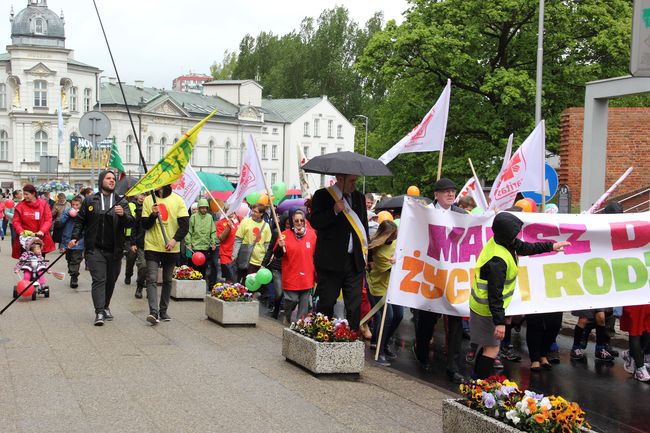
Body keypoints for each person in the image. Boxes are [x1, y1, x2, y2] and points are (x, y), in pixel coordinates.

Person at [471, 212, 569, 379]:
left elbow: (525, 248)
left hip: (485, 307)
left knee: (486, 346)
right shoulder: (498, 260)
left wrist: (551, 247)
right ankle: (478, 385)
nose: (517, 236)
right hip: (486, 309)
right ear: (507, 234)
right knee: (492, 349)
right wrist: (500, 323)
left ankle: (476, 383)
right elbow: (494, 294)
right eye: (515, 233)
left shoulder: (503, 242)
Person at [413, 178, 466, 383]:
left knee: (456, 321)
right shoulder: (425, 213)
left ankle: (453, 365)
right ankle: (422, 353)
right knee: (427, 319)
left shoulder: (462, 215)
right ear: (436, 194)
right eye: (446, 191)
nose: (451, 194)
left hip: (453, 275)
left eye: (453, 191)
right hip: (431, 273)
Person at [70, 171, 133, 326]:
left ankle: (105, 306)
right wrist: (74, 237)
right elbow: (80, 221)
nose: (112, 181)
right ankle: (99, 312)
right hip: (95, 249)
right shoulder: (91, 200)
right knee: (99, 279)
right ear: (101, 181)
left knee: (110, 281)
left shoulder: (121, 201)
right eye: (108, 178)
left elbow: (131, 222)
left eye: (113, 179)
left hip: (115, 250)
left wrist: (123, 215)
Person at [310, 173, 368, 331]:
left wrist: (367, 255)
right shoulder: (322, 195)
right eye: (351, 181)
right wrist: (334, 211)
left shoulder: (359, 198)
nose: (354, 184)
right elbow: (315, 221)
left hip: (354, 261)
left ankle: (352, 338)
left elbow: (363, 228)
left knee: (354, 305)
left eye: (355, 181)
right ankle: (322, 335)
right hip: (331, 261)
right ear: (340, 179)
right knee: (327, 303)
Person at [142, 185, 189, 325]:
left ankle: (163, 310)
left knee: (168, 279)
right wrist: (152, 215)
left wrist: (174, 240)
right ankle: (153, 312)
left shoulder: (178, 200)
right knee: (151, 278)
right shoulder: (148, 200)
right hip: (152, 246)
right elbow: (144, 225)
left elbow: (185, 225)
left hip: (171, 247)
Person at [271, 209, 316, 324]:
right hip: (291, 274)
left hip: (307, 275)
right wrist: (280, 246)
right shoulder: (284, 235)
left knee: (304, 305)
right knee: (292, 299)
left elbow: (317, 254)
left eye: (302, 220)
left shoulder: (312, 235)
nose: (299, 223)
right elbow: (277, 254)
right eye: (296, 221)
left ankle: (300, 325)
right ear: (292, 222)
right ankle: (287, 315)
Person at [367, 220, 402, 366]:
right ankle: (379, 352)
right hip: (379, 287)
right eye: (392, 235)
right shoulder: (378, 251)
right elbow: (392, 270)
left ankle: (384, 343)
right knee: (387, 318)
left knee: (398, 316)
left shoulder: (395, 243)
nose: (395, 238)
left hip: (391, 287)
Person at [12, 184, 55, 259]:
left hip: (40, 239)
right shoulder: (20, 206)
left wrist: (42, 231)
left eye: (26, 194)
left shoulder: (43, 204)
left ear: (33, 194)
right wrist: (21, 231)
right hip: (26, 239)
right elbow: (16, 221)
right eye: (24, 194)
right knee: (27, 265)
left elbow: (48, 219)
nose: (24, 196)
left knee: (39, 264)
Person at [232, 203, 271, 283]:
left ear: (261, 214)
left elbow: (267, 244)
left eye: (256, 212)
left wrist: (266, 260)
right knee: (242, 281)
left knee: (254, 284)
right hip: (245, 258)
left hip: (259, 260)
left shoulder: (266, 226)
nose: (253, 213)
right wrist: (234, 254)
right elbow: (238, 239)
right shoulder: (245, 222)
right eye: (253, 211)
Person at [186, 198, 217, 292]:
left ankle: (200, 288)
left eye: (205, 208)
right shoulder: (193, 217)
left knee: (204, 268)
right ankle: (192, 287)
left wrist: (213, 242)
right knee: (193, 267)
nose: (203, 209)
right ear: (199, 208)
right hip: (195, 247)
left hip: (205, 247)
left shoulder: (210, 217)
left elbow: (213, 231)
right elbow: (189, 231)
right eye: (202, 208)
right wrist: (189, 243)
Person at [60, 196, 84, 288]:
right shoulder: (67, 211)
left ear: (81, 205)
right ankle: (72, 272)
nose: (75, 206)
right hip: (67, 239)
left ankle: (74, 277)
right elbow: (61, 222)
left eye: (77, 205)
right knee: (69, 258)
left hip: (79, 241)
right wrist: (68, 214)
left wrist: (79, 215)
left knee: (76, 259)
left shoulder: (83, 213)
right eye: (73, 204)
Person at [217, 210, 240, 282]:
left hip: (238, 254)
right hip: (226, 254)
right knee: (229, 278)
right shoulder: (220, 223)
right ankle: (228, 292)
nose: (231, 211)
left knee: (237, 278)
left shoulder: (240, 219)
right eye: (228, 210)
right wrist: (228, 227)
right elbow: (221, 238)